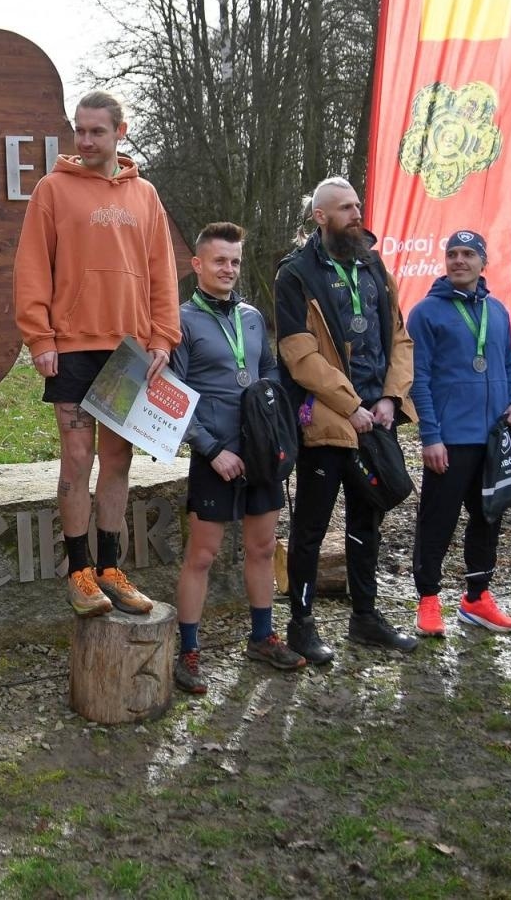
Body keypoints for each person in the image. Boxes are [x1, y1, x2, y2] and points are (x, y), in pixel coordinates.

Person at [13, 89, 181, 617]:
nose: (85, 141)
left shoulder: (145, 195)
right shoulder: (52, 190)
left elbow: (162, 273)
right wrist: (39, 337)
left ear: (120, 132)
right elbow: (32, 267)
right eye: (79, 131)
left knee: (117, 459)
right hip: (72, 349)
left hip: (128, 351)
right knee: (78, 458)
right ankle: (79, 571)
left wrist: (162, 337)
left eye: (97, 132)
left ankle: (111, 568)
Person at [273, 176, 418, 662]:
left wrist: (391, 400)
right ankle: (302, 623)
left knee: (367, 521)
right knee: (311, 527)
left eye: (357, 205)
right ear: (320, 216)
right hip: (327, 422)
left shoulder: (373, 263)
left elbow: (399, 337)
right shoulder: (294, 274)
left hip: (377, 420)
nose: (357, 213)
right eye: (345, 207)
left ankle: (366, 617)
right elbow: (299, 355)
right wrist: (351, 404)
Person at [171, 222, 305, 694]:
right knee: (202, 555)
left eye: (234, 261)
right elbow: (170, 396)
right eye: (218, 261)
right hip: (215, 457)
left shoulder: (250, 316)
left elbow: (267, 371)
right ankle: (187, 649)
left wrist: (271, 426)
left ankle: (262, 636)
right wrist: (211, 450)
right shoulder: (181, 321)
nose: (227, 269)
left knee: (263, 549)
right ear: (197, 265)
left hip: (260, 456)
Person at [405, 230, 511, 637]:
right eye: (452, 254)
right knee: (437, 521)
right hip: (450, 440)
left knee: (488, 518)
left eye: (468, 254)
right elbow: (418, 380)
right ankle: (428, 600)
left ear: (483, 261)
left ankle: (477, 597)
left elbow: (508, 363)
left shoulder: (498, 311)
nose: (459, 261)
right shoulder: (426, 313)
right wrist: (430, 436)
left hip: (493, 438)